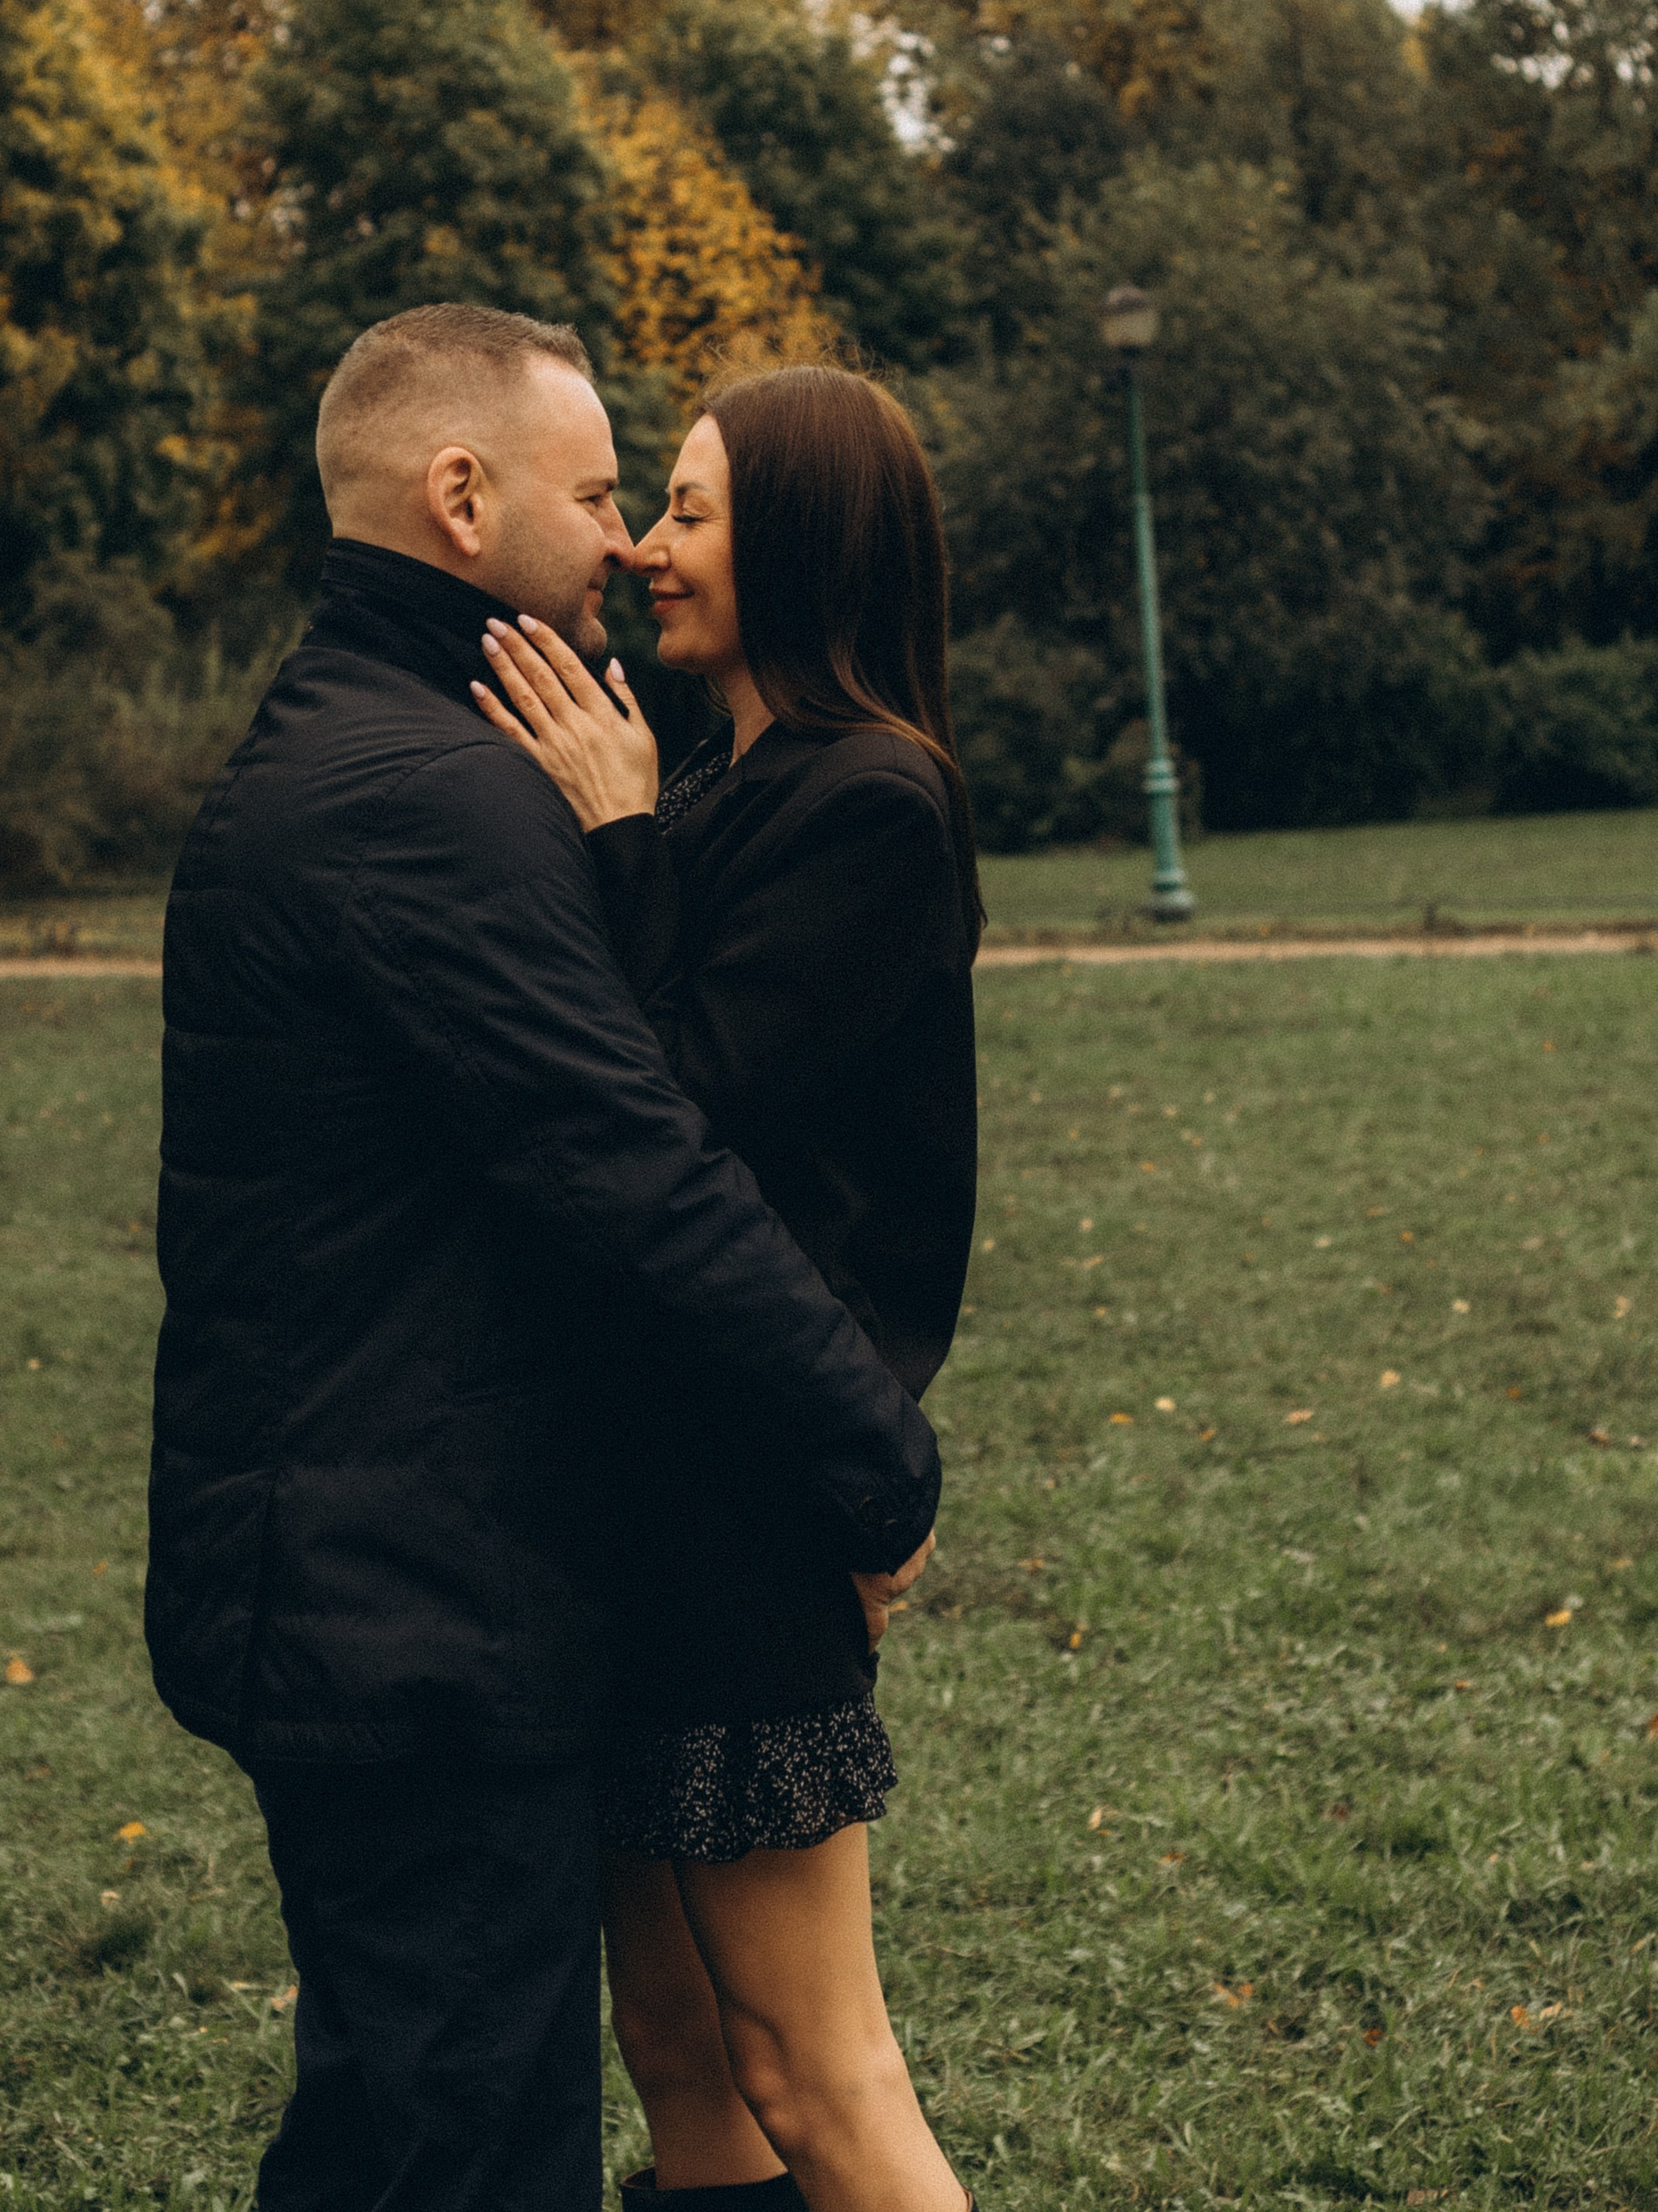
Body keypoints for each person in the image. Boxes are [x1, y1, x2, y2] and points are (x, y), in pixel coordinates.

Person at [148, 306, 942, 2212]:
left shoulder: (401, 744)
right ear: (457, 494)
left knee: (414, 2123)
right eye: (602, 494)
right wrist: (878, 1459)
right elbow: (633, 1161)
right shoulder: (421, 791)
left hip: (409, 1585)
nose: (623, 542)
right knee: (464, 2146)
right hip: (402, 1605)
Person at [470, 363, 982, 2212]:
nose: (641, 546)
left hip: (756, 1493)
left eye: (684, 511)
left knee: (809, 2068)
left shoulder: (869, 807)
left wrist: (614, 839)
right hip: (639, 1488)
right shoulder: (724, 783)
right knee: (683, 2065)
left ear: (805, 539)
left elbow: (675, 1115)